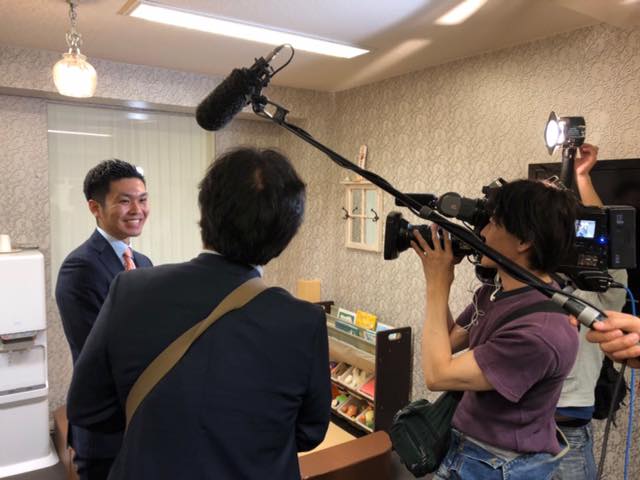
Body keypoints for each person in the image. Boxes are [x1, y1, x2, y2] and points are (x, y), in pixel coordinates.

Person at [67, 147, 331, 480]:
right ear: (286, 234)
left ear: (205, 211)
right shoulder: (303, 322)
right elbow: (309, 432)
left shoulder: (131, 289)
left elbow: (87, 407)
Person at [412, 179, 579, 479]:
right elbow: (445, 341)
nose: (484, 232)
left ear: (524, 241)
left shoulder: (540, 331)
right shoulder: (495, 292)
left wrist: (437, 285)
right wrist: (438, 280)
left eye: (494, 223)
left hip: (494, 464)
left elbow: (438, 374)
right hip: (467, 447)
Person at [56, 159, 152, 480]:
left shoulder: (143, 263)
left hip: (141, 417)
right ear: (95, 208)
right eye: (125, 201)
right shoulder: (80, 268)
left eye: (142, 199)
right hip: (105, 425)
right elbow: (99, 352)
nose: (137, 210)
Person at [553, 144, 627, 480]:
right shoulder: (529, 281)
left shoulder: (598, 289)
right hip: (517, 429)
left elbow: (603, 236)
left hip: (566, 431)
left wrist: (582, 177)